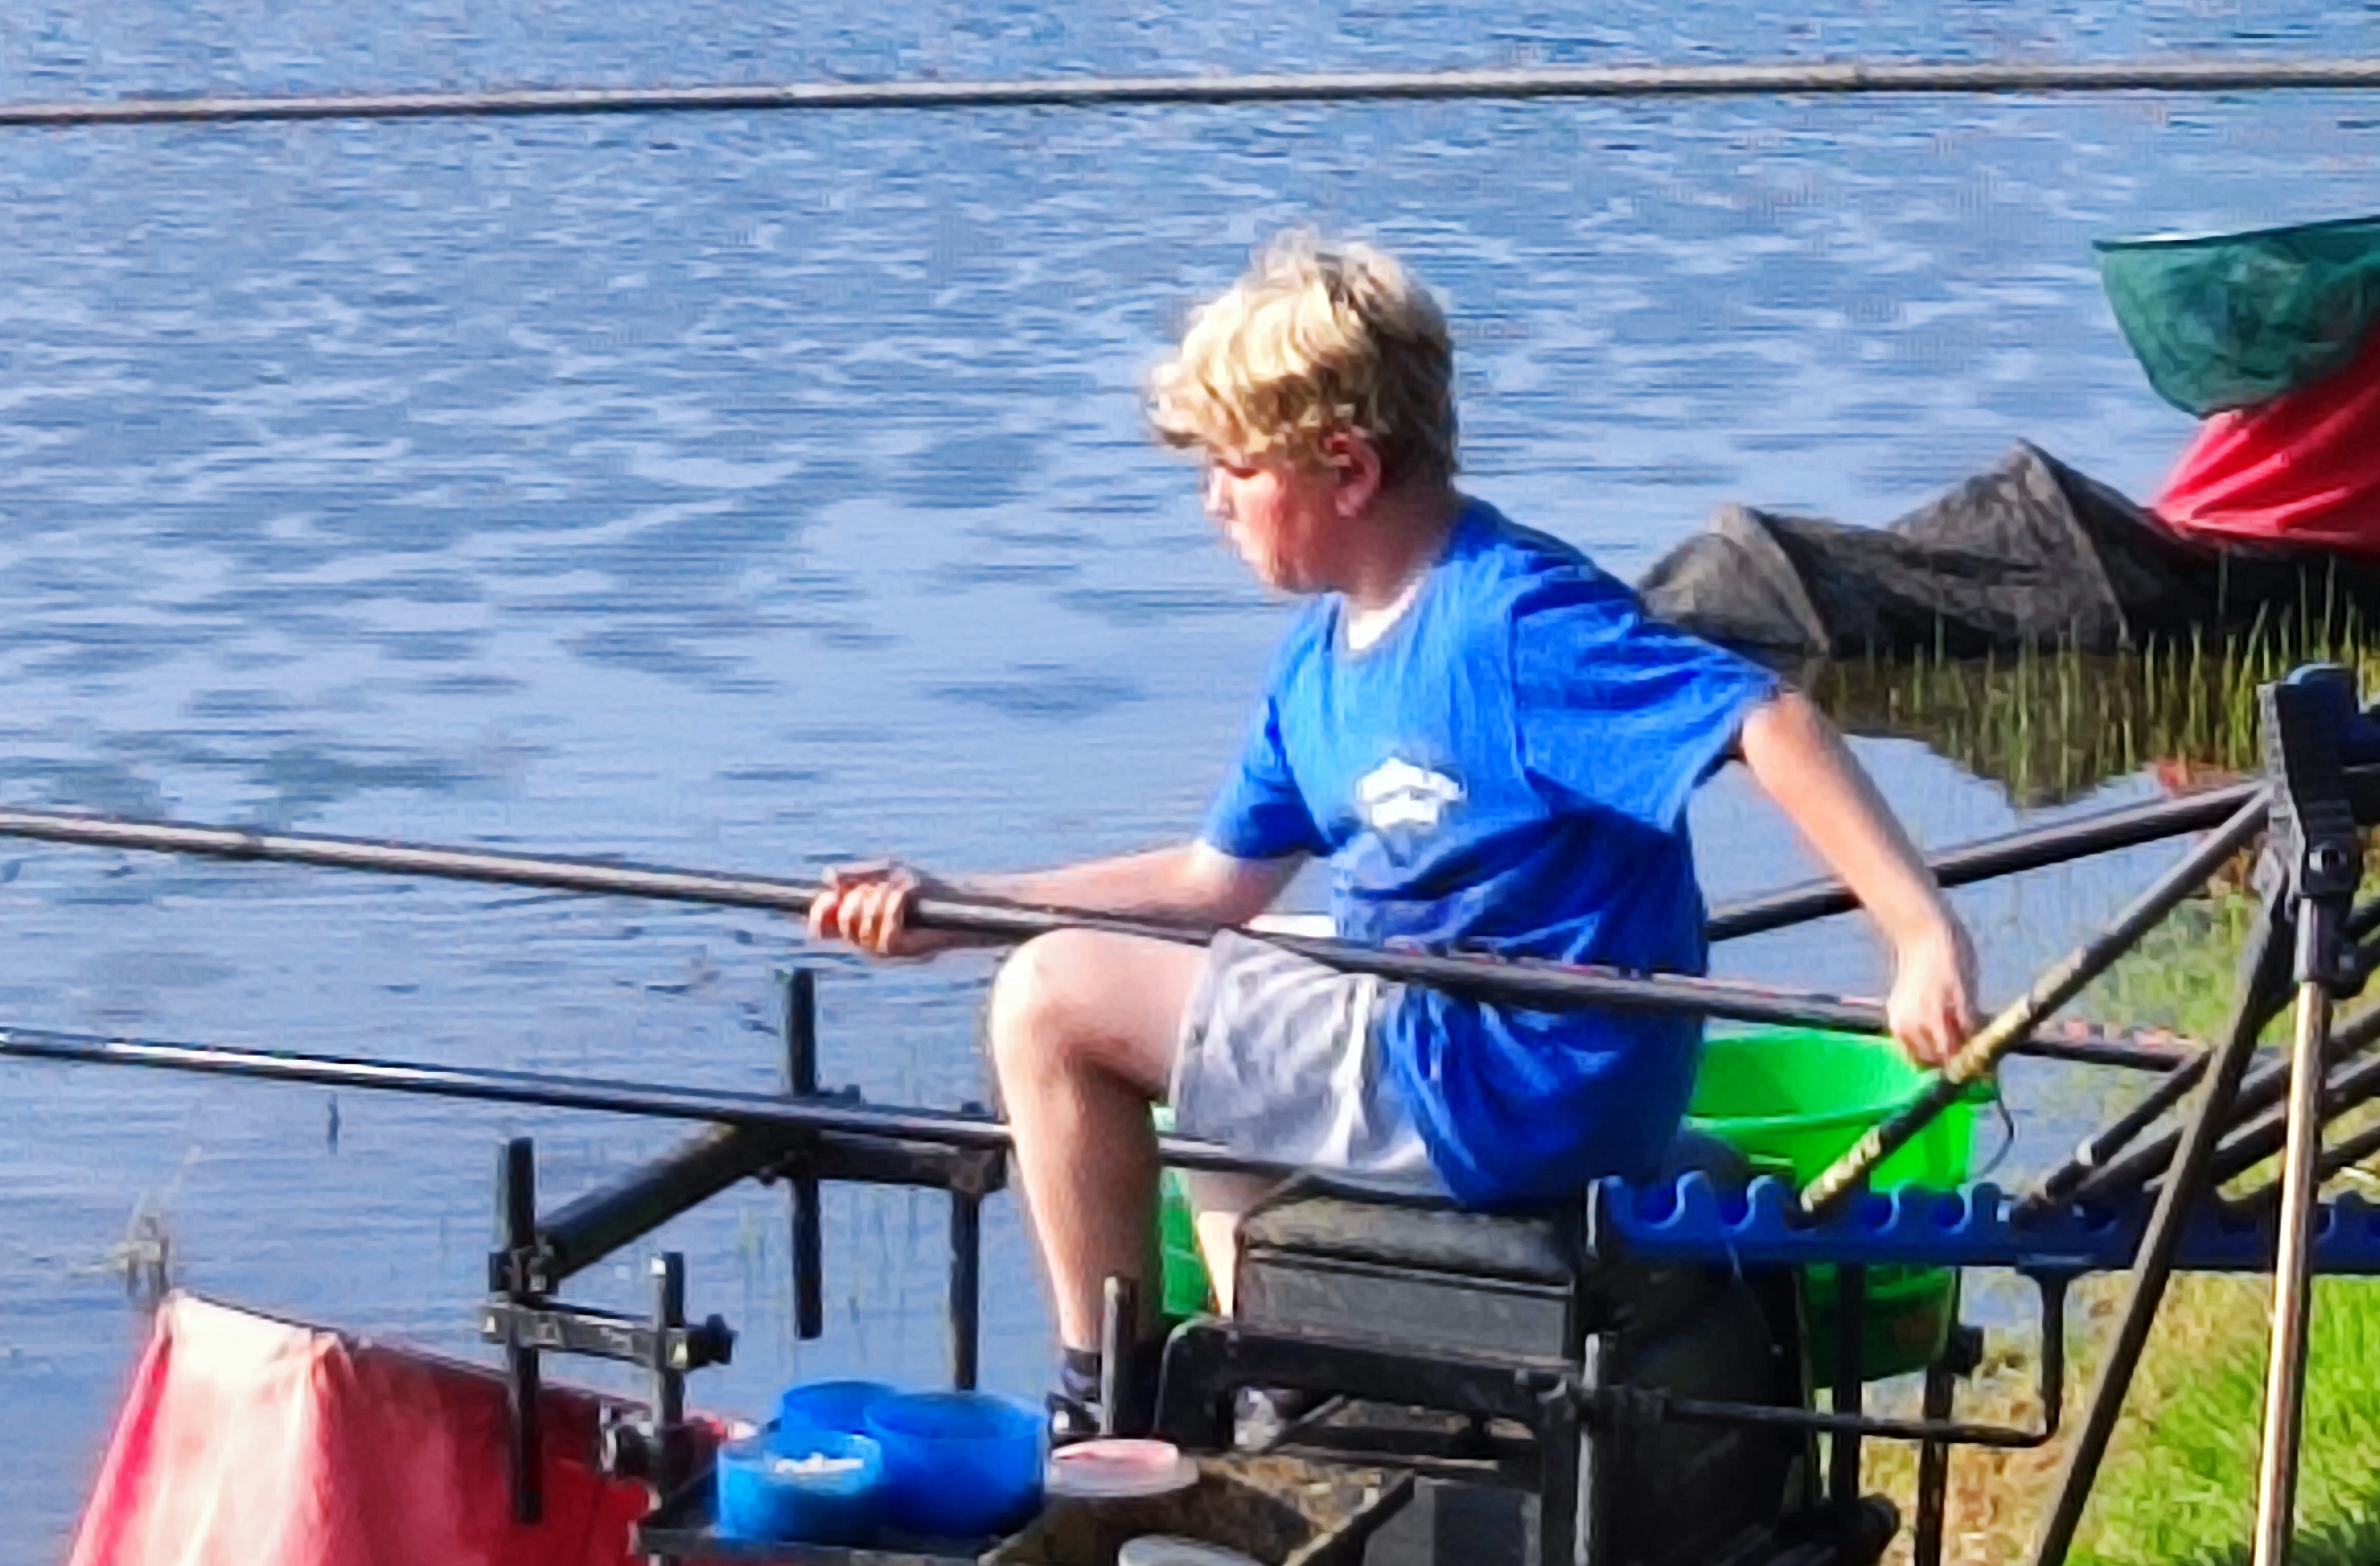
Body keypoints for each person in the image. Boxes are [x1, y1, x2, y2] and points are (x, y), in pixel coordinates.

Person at [810, 234, 1980, 1417]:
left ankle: (1097, 1400)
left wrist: (1920, 936)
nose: (1212, 501)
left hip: (1521, 1076)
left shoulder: (1512, 620)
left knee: (1053, 1000)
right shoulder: (1319, 663)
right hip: (1450, 1040)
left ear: (1346, 468)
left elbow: (1769, 720)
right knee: (1218, 987)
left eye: (1234, 468)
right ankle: (1273, 1373)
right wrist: (959, 906)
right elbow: (1214, 886)